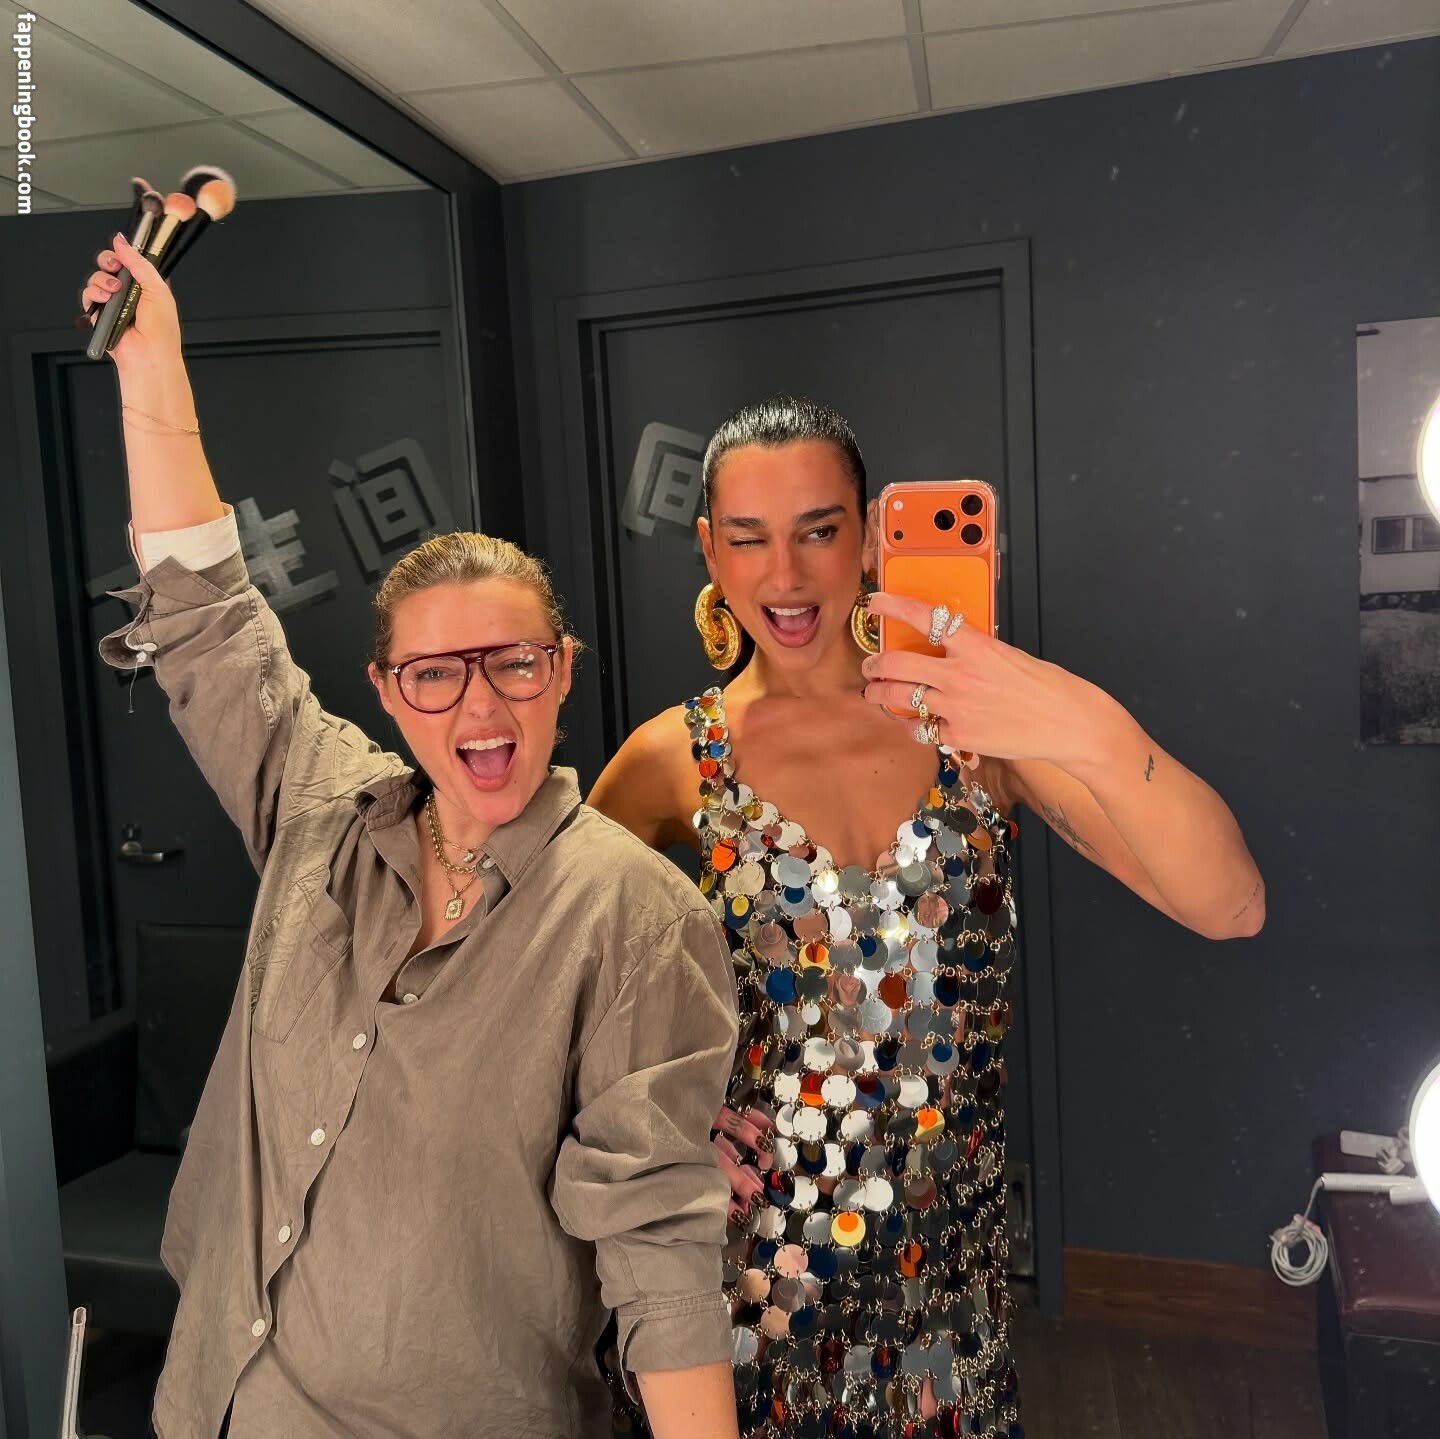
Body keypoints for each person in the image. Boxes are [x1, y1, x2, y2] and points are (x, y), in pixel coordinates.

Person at [79, 233, 742, 1439]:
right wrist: (150, 369)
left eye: (514, 662)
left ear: (561, 670)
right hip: (219, 1401)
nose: (479, 704)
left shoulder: (638, 919)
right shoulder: (319, 805)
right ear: (387, 691)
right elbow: (209, 614)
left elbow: (658, 1243)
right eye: (435, 672)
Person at [589, 396, 1265, 1437]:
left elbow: (1230, 903)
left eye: (818, 529)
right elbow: (556, 976)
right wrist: (664, 1120)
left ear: (869, 534)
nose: (785, 575)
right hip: (751, 1287)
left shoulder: (976, 729)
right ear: (709, 551)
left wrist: (1079, 721)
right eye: (749, 538)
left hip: (945, 1293)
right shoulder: (672, 758)